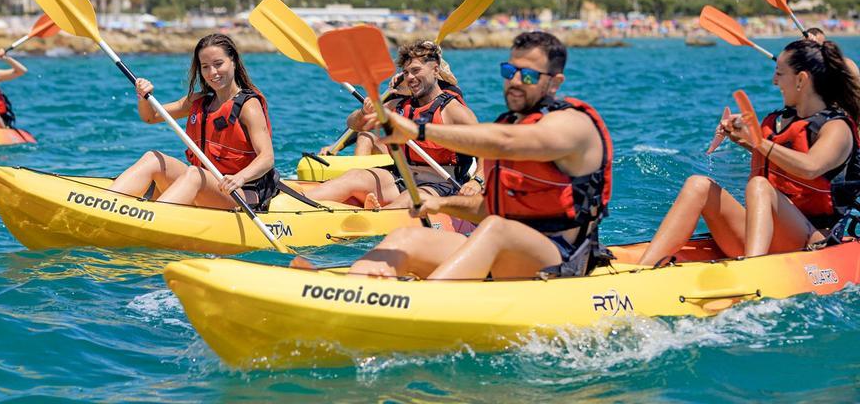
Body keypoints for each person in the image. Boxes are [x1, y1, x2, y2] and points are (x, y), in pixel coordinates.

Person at [347, 31, 613, 280]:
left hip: (559, 258)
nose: (516, 81)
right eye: (510, 72)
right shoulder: (510, 122)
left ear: (555, 83)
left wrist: (418, 130)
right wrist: (442, 205)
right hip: (500, 248)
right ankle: (353, 295)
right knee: (404, 239)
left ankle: (423, 303)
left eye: (529, 76)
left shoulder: (574, 125)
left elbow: (505, 143)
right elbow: (492, 209)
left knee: (496, 229)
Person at [639, 39, 860, 265]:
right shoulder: (778, 121)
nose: (774, 81)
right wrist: (740, 137)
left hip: (814, 243)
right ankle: (643, 271)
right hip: (766, 235)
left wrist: (757, 141)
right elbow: (778, 159)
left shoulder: (836, 128)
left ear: (801, 80)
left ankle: (752, 269)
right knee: (698, 185)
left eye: (780, 74)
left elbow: (810, 168)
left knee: (759, 186)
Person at [108, 33, 278, 209]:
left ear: (233, 61)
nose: (212, 73)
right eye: (205, 67)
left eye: (218, 64)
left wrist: (239, 177)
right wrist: (143, 96)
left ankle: (154, 218)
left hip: (240, 193)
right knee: (154, 159)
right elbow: (151, 116)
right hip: (206, 186)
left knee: (195, 174)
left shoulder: (248, 106)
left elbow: (267, 158)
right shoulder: (199, 101)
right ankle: (106, 205)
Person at [310, 40, 479, 208]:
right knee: (354, 177)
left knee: (410, 199)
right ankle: (294, 202)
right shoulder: (398, 105)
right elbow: (354, 124)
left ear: (435, 70)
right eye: (406, 73)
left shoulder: (454, 111)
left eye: (415, 70)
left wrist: (477, 181)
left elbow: (491, 152)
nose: (410, 77)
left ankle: (378, 216)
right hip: (402, 177)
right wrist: (364, 113)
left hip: (441, 185)